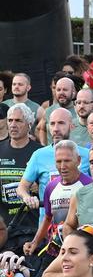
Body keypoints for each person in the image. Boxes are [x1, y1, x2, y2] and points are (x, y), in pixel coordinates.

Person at [0, 105, 42, 256]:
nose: (13, 124)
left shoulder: (40, 152)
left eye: (18, 120)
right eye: (10, 120)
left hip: (32, 228)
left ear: (29, 124)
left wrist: (40, 186)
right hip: (5, 228)